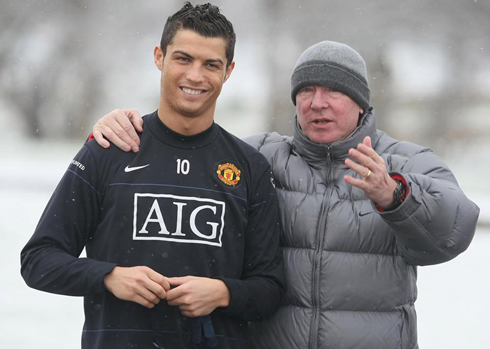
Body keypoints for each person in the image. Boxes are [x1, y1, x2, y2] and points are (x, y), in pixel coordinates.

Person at [92, 40, 479, 349]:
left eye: (333, 91)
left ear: (361, 103)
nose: (317, 103)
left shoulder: (404, 161)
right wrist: (124, 126)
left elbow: (452, 231)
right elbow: (184, 153)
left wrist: (394, 195)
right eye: (306, 90)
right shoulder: (258, 157)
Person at [20, 3, 285, 349]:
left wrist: (223, 292)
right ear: (159, 57)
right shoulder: (109, 149)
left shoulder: (249, 167)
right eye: (183, 59)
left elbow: (271, 289)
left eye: (211, 64)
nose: (195, 76)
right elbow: (38, 260)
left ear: (229, 70)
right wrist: (109, 277)